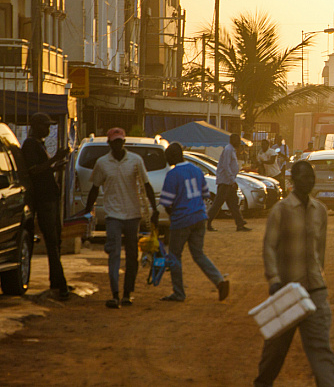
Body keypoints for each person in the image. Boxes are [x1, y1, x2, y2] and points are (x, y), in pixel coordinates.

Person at [255, 160, 334, 387]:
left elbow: (320, 250)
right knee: (275, 350)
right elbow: (269, 247)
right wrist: (273, 279)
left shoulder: (320, 211)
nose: (309, 182)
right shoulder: (280, 210)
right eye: (304, 178)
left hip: (315, 291)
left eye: (311, 177)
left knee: (321, 349)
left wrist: (317, 274)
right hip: (286, 291)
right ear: (293, 181)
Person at [82, 127, 159, 308]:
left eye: (120, 141)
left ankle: (127, 293)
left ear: (123, 142)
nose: (118, 144)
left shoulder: (135, 160)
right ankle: (115, 294)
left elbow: (146, 185)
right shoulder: (102, 163)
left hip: (133, 215)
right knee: (114, 254)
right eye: (114, 141)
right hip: (113, 215)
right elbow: (94, 188)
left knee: (132, 256)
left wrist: (154, 208)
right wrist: (86, 211)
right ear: (110, 143)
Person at [158, 143, 229, 303]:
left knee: (175, 256)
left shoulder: (173, 174)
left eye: (167, 157)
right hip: (199, 217)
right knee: (198, 254)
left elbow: (167, 203)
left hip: (182, 219)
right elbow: (205, 194)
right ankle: (219, 281)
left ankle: (179, 293)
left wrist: (173, 217)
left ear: (173, 157)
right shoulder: (196, 170)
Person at [21, 112, 71, 300]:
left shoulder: (38, 145)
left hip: (49, 197)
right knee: (51, 241)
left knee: (55, 240)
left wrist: (55, 165)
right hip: (43, 199)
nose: (48, 130)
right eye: (45, 126)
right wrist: (53, 160)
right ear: (35, 126)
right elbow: (33, 171)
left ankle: (57, 281)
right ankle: (61, 284)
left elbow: (42, 170)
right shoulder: (30, 145)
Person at [207, 133, 251, 232]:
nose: (239, 142)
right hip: (225, 182)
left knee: (233, 204)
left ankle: (240, 223)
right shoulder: (228, 150)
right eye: (237, 140)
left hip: (228, 182)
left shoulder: (231, 150)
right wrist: (232, 180)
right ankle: (207, 222)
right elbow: (226, 166)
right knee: (218, 204)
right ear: (232, 140)